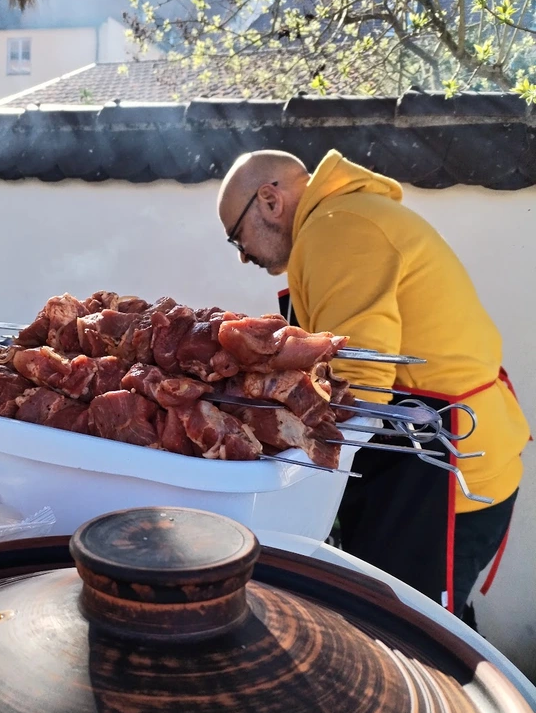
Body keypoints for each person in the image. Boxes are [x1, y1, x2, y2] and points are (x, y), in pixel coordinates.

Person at [217, 149, 530, 621]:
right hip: (429, 462)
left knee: (414, 641)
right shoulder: (344, 218)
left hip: (439, 479)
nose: (243, 256)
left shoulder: (339, 229)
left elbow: (360, 389)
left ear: (268, 199)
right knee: (420, 631)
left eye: (236, 237)